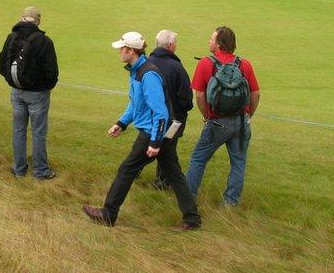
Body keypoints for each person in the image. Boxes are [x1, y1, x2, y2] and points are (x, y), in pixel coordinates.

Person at [82, 32, 201, 229]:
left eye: (122, 49)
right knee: (174, 174)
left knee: (127, 169)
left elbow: (160, 113)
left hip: (154, 133)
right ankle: (192, 218)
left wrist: (155, 143)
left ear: (132, 51)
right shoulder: (137, 71)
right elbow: (136, 104)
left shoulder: (148, 74)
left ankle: (109, 214)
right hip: (159, 132)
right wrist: (121, 123)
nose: (120, 52)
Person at [186, 26, 261, 206]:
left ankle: (188, 199)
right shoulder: (244, 64)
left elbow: (200, 95)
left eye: (212, 39)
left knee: (198, 159)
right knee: (238, 163)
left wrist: (207, 116)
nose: (209, 41)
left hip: (217, 122)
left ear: (219, 44)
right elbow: (255, 94)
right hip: (242, 122)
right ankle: (230, 204)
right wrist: (248, 114)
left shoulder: (205, 63)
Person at [0, 6, 58, 179]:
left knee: (18, 130)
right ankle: (40, 171)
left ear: (22, 18)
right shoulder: (44, 41)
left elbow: (3, 65)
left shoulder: (11, 37)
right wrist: (45, 87)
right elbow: (52, 72)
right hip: (38, 94)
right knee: (38, 132)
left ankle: (19, 170)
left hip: (16, 91)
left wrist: (12, 81)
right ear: (38, 21)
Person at [148, 30, 194, 190]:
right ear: (170, 45)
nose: (176, 46)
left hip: (149, 117)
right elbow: (186, 98)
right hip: (171, 120)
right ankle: (163, 183)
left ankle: (131, 172)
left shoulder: (146, 63)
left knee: (145, 146)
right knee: (167, 150)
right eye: (175, 43)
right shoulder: (176, 67)